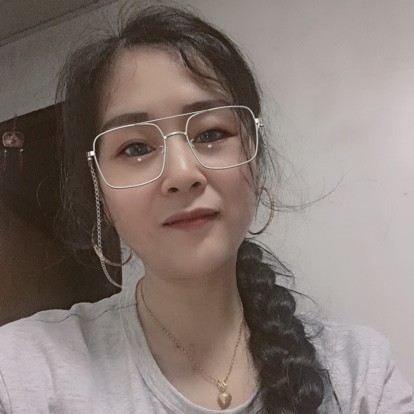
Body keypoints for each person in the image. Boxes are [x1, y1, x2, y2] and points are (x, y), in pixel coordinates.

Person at [0, 5, 412, 414]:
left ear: (255, 160)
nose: (182, 173)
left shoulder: (359, 376)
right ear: (100, 191)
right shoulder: (22, 373)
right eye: (136, 147)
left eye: (211, 133)